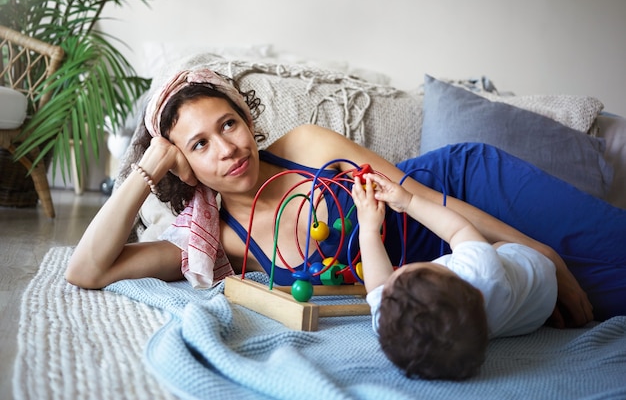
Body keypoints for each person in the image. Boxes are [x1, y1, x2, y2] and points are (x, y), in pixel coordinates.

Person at [66, 66, 626, 327]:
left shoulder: (305, 144)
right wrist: (145, 170)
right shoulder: (215, 245)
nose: (227, 147)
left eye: (229, 123)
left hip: (470, 192)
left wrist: (545, 253)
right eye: (200, 144)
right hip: (471, 270)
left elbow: (430, 198)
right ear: (183, 166)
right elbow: (86, 271)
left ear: (245, 118)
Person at [351, 172, 558, 380]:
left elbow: (378, 285)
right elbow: (458, 229)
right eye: (417, 269)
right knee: (496, 248)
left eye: (392, 282)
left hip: (536, 315)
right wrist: (408, 201)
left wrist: (368, 228)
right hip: (536, 271)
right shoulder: (481, 270)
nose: (398, 272)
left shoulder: (392, 322)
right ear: (478, 294)